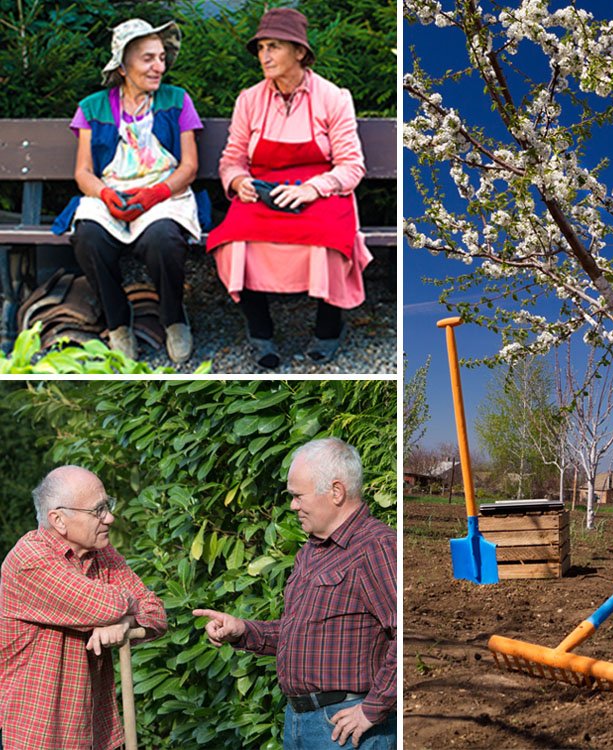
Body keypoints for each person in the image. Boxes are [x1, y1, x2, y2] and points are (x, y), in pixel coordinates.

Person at [193, 438, 396, 749]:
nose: (292, 505)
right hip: (299, 723)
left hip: (346, 728)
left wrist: (373, 709)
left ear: (336, 492)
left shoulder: (375, 546)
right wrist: (244, 630)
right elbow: (300, 633)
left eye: (298, 496)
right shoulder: (311, 552)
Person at [206, 8, 372, 369]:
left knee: (330, 238)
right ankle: (260, 330)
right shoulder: (248, 100)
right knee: (234, 238)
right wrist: (238, 181)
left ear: (299, 52)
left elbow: (351, 165)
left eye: (275, 46)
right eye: (262, 47)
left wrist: (315, 188)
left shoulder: (332, 97)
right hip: (263, 188)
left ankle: (329, 329)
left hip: (320, 191)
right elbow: (232, 157)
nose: (264, 56)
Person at [57, 18, 203, 363]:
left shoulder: (178, 101)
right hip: (112, 194)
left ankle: (173, 318)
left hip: (164, 195)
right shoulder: (92, 107)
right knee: (88, 237)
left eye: (162, 57)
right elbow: (83, 172)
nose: (159, 66)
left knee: (163, 240)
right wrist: (106, 195)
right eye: (148, 59)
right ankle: (118, 321)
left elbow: (190, 167)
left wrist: (155, 194)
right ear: (123, 66)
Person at [0, 466, 167, 750]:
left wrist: (124, 624)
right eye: (98, 510)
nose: (110, 518)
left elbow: (158, 614)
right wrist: (123, 609)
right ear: (59, 520)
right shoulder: (29, 560)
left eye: (108, 506)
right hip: (36, 735)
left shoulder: (102, 553)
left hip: (96, 733)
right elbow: (105, 605)